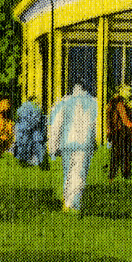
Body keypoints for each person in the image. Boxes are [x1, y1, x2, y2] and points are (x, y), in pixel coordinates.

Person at [47, 83, 98, 213]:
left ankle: (68, 201)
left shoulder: (64, 102)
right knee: (80, 173)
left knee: (68, 173)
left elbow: (56, 126)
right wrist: (94, 142)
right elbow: (96, 126)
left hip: (68, 143)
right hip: (84, 144)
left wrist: (53, 148)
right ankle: (74, 202)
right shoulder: (94, 103)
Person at [106, 85, 132, 181]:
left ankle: (112, 175)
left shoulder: (113, 103)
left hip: (114, 132)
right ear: (121, 91)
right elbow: (125, 120)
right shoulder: (120, 104)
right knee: (125, 154)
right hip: (121, 132)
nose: (130, 93)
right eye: (128, 91)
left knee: (115, 155)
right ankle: (126, 174)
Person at [12, 101, 47, 168]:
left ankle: (23, 161)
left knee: (24, 145)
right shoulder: (36, 108)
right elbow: (38, 120)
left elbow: (19, 117)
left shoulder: (22, 108)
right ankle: (40, 162)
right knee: (36, 146)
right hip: (33, 131)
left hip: (24, 130)